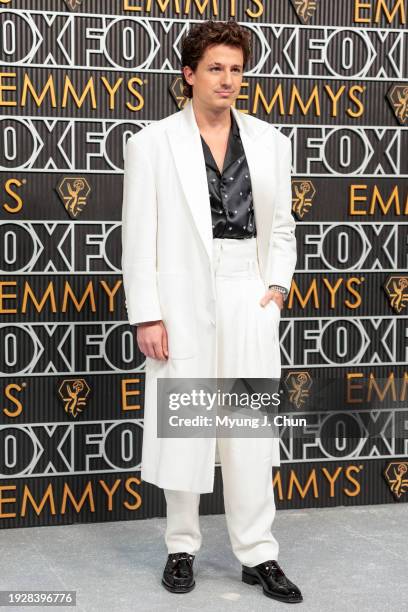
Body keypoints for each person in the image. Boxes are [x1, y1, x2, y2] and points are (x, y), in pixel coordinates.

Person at [121, 18, 302, 604]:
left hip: (247, 293)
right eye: (216, 69)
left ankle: (258, 554)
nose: (228, 80)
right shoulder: (151, 144)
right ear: (189, 74)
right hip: (182, 301)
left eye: (236, 70)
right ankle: (181, 547)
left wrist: (275, 286)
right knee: (188, 428)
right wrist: (148, 314)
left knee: (250, 430)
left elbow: (281, 227)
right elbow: (137, 238)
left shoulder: (272, 142)